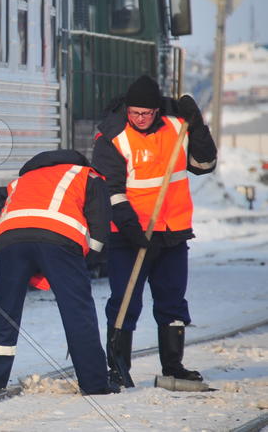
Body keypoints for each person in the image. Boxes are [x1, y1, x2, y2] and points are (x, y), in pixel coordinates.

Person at [92, 75, 217, 384]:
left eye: (146, 113)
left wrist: (198, 125)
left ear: (157, 111)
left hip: (172, 231)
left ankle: (173, 366)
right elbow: (111, 189)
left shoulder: (176, 128)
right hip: (130, 234)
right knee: (124, 301)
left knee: (173, 300)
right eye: (135, 113)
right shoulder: (112, 136)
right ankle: (118, 368)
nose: (140, 119)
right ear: (127, 110)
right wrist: (131, 228)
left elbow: (204, 164)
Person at [0, 149, 116, 396]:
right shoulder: (87, 175)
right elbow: (100, 231)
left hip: (8, 242)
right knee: (77, 309)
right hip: (58, 239)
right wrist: (87, 262)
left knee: (5, 311)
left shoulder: (22, 180)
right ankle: (95, 384)